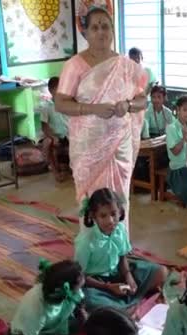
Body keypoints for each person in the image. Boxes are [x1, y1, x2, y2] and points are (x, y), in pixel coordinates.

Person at [55, 7, 148, 232]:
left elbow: (142, 99)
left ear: (112, 30)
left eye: (105, 26)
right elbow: (60, 103)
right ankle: (94, 248)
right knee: (93, 198)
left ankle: (119, 245)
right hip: (89, 145)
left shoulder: (125, 65)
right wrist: (93, 108)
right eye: (94, 27)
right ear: (85, 32)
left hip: (119, 144)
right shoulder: (74, 65)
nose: (100, 32)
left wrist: (128, 105)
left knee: (119, 195)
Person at [74, 188, 167, 311]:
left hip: (118, 272)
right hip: (95, 283)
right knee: (91, 301)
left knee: (161, 272)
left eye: (113, 214)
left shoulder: (120, 230)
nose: (110, 221)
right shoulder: (86, 241)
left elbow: (122, 257)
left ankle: (122, 303)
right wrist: (108, 287)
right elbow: (80, 276)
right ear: (93, 216)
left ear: (120, 212)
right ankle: (120, 304)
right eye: (103, 216)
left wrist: (128, 276)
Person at [7, 260, 86, 335]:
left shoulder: (72, 292)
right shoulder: (37, 306)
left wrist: (83, 317)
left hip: (55, 330)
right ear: (67, 288)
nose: (84, 277)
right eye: (80, 283)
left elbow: (80, 304)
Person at [40, 77, 70, 182]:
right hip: (56, 137)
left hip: (69, 136)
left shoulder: (68, 103)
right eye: (58, 88)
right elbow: (44, 126)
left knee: (65, 167)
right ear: (51, 91)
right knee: (48, 142)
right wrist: (52, 136)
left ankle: (67, 166)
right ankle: (56, 173)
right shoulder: (46, 106)